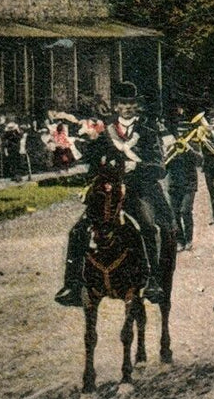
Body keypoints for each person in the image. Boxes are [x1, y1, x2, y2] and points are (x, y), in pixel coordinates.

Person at [57, 81, 170, 306]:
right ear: (116, 106)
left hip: (138, 191)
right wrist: (74, 148)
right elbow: (92, 157)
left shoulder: (148, 131)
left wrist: (137, 167)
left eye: (131, 103)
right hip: (110, 192)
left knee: (147, 226)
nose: (127, 107)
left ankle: (154, 281)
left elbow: (160, 166)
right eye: (122, 103)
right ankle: (72, 285)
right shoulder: (106, 131)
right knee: (78, 230)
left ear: (136, 106)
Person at [164, 118, 202, 251]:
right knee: (174, 214)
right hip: (174, 184)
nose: (180, 134)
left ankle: (189, 239)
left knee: (185, 211)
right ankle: (180, 240)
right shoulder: (171, 147)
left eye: (183, 131)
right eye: (178, 131)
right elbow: (164, 167)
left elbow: (200, 161)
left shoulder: (193, 144)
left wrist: (190, 149)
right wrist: (169, 155)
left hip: (189, 184)